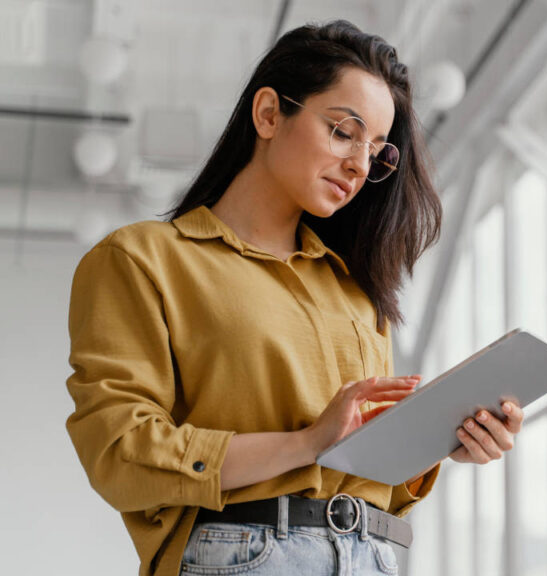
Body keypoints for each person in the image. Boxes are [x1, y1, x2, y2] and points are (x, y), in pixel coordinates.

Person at [64, 20, 523, 576]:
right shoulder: (143, 259)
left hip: (373, 555)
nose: (359, 164)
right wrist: (305, 443)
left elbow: (368, 473)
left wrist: (445, 442)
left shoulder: (355, 292)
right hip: (247, 554)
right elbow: (120, 453)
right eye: (343, 131)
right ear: (268, 114)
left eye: (377, 151)